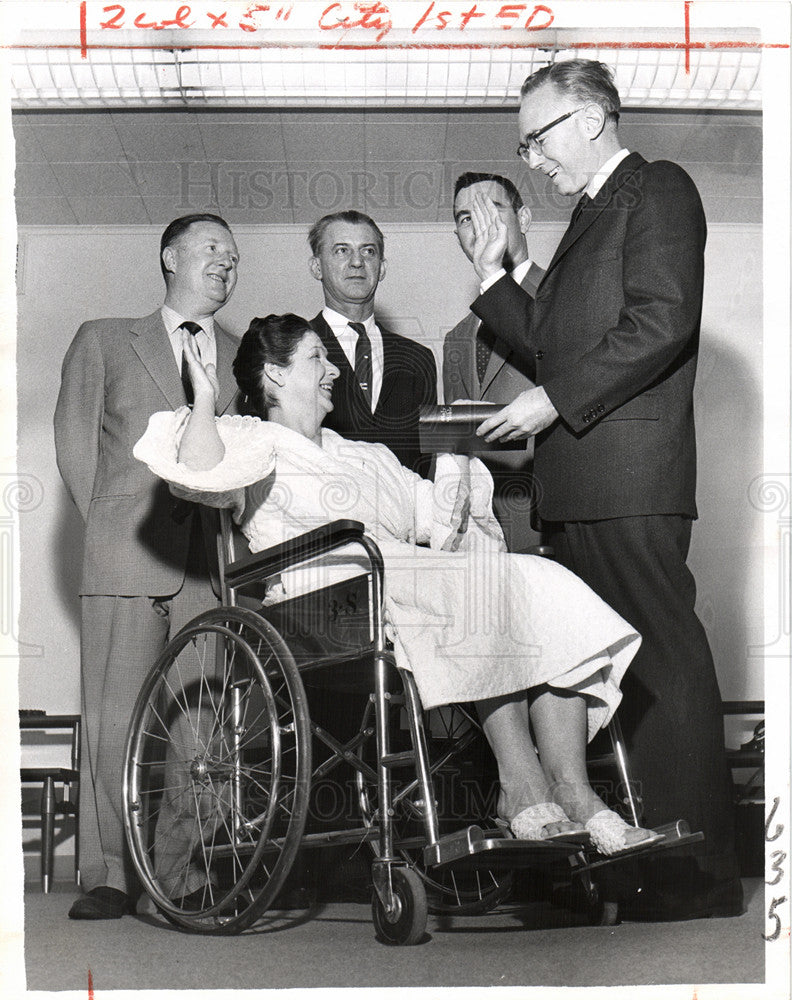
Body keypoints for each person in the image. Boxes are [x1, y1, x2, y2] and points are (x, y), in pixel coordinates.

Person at [135, 312, 662, 856]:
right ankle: (519, 786)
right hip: (318, 599)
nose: (332, 371)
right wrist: (203, 397)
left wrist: (457, 448)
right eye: (316, 358)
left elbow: (440, 519)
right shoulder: (247, 441)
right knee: (472, 592)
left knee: (538, 582)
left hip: (401, 574)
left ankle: (573, 790)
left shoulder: (365, 455)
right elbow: (197, 474)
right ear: (273, 375)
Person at [468, 59, 743, 920]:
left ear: (588, 119)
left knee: (662, 663)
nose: (532, 159)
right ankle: (649, 857)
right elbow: (555, 338)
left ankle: (695, 873)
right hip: (584, 486)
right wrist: (492, 276)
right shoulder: (587, 216)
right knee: (622, 679)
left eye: (537, 136)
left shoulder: (656, 188)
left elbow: (662, 319)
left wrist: (553, 399)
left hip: (628, 475)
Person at [53, 213, 242, 920]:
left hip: (207, 564)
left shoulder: (237, 353)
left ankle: (182, 874)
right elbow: (74, 442)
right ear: (170, 256)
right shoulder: (104, 339)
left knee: (202, 726)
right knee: (115, 717)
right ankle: (108, 873)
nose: (228, 261)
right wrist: (110, 524)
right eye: (213, 247)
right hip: (125, 551)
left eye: (234, 255)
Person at [444, 172, 544, 551]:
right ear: (458, 237)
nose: (480, 223)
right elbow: (457, 443)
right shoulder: (456, 336)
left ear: (523, 219)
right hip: (481, 532)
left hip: (548, 516)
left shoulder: (564, 297)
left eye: (492, 208)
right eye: (465, 217)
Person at [308, 210, 437, 476]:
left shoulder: (418, 358)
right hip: (323, 512)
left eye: (368, 252)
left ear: (382, 268)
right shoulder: (292, 348)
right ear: (317, 267)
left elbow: (427, 463)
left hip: (404, 514)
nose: (357, 262)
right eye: (341, 251)